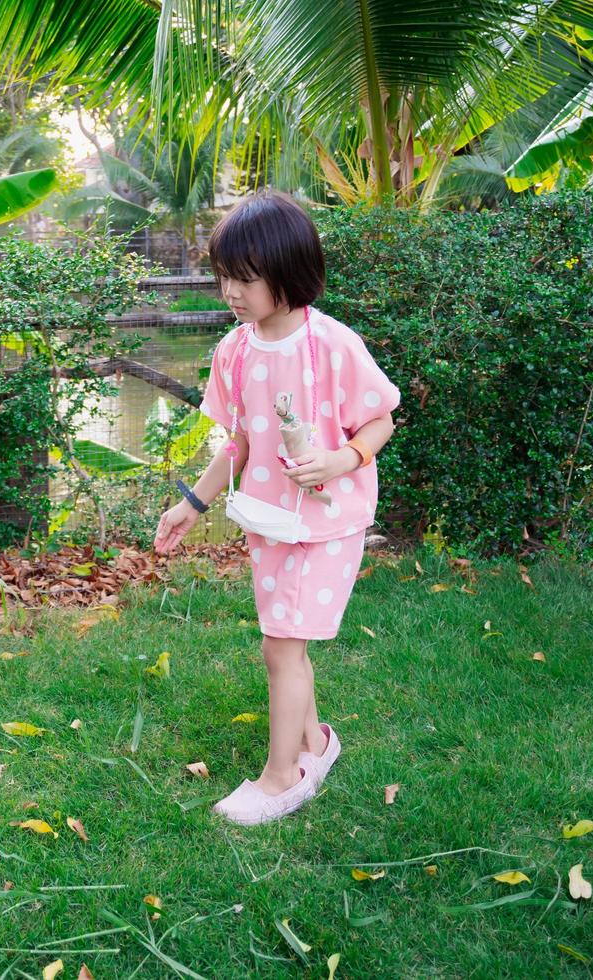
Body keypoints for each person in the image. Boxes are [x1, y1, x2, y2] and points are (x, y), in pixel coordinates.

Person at [154, 192, 400, 825]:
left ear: (288, 273)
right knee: (285, 642)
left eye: (245, 278)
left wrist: (343, 459)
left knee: (281, 648)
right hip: (268, 520)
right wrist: (190, 504)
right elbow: (237, 442)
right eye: (224, 277)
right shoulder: (235, 350)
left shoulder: (334, 345)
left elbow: (380, 421)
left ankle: (281, 776)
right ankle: (315, 743)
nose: (230, 291)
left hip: (326, 524)